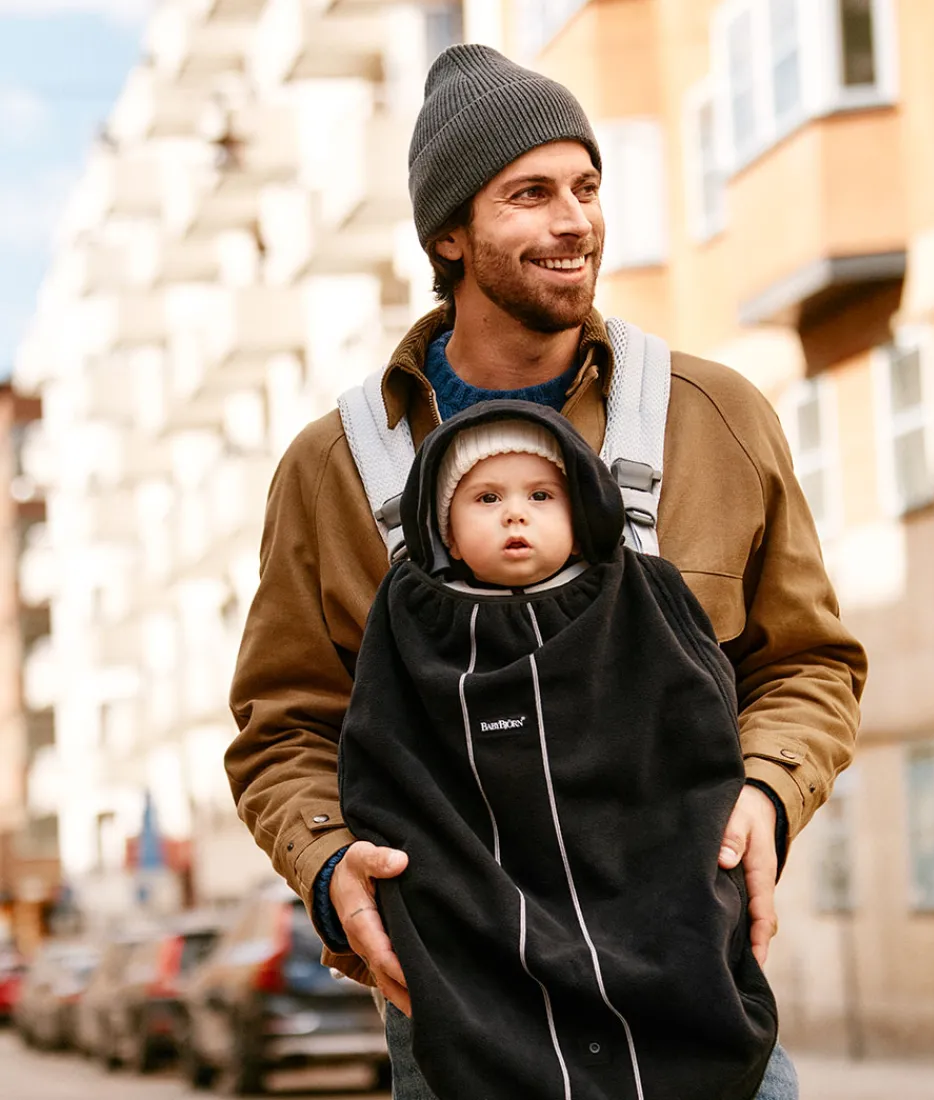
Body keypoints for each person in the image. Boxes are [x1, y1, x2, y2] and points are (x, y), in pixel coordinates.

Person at [226, 43, 866, 1100]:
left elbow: (809, 662)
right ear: (449, 234)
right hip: (460, 1019)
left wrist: (766, 789)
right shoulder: (335, 468)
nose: (575, 221)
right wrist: (331, 864)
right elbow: (284, 726)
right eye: (530, 195)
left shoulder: (714, 417)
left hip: (692, 1002)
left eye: (587, 187)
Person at [337, 400, 780, 1100]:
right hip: (482, 962)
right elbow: (379, 765)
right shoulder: (409, 620)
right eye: (486, 498)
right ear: (443, 527)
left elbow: (703, 736)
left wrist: (756, 804)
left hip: (664, 932)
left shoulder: (642, 593)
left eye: (542, 495)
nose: (516, 514)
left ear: (582, 509)